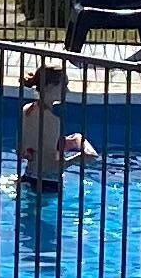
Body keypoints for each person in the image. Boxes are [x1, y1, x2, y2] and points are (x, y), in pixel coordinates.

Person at [18, 60, 94, 197]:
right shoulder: (52, 120)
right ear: (49, 86)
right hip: (48, 184)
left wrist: (61, 143)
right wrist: (81, 157)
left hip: (28, 177)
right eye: (63, 85)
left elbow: (23, 150)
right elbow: (52, 167)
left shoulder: (27, 110)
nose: (67, 90)